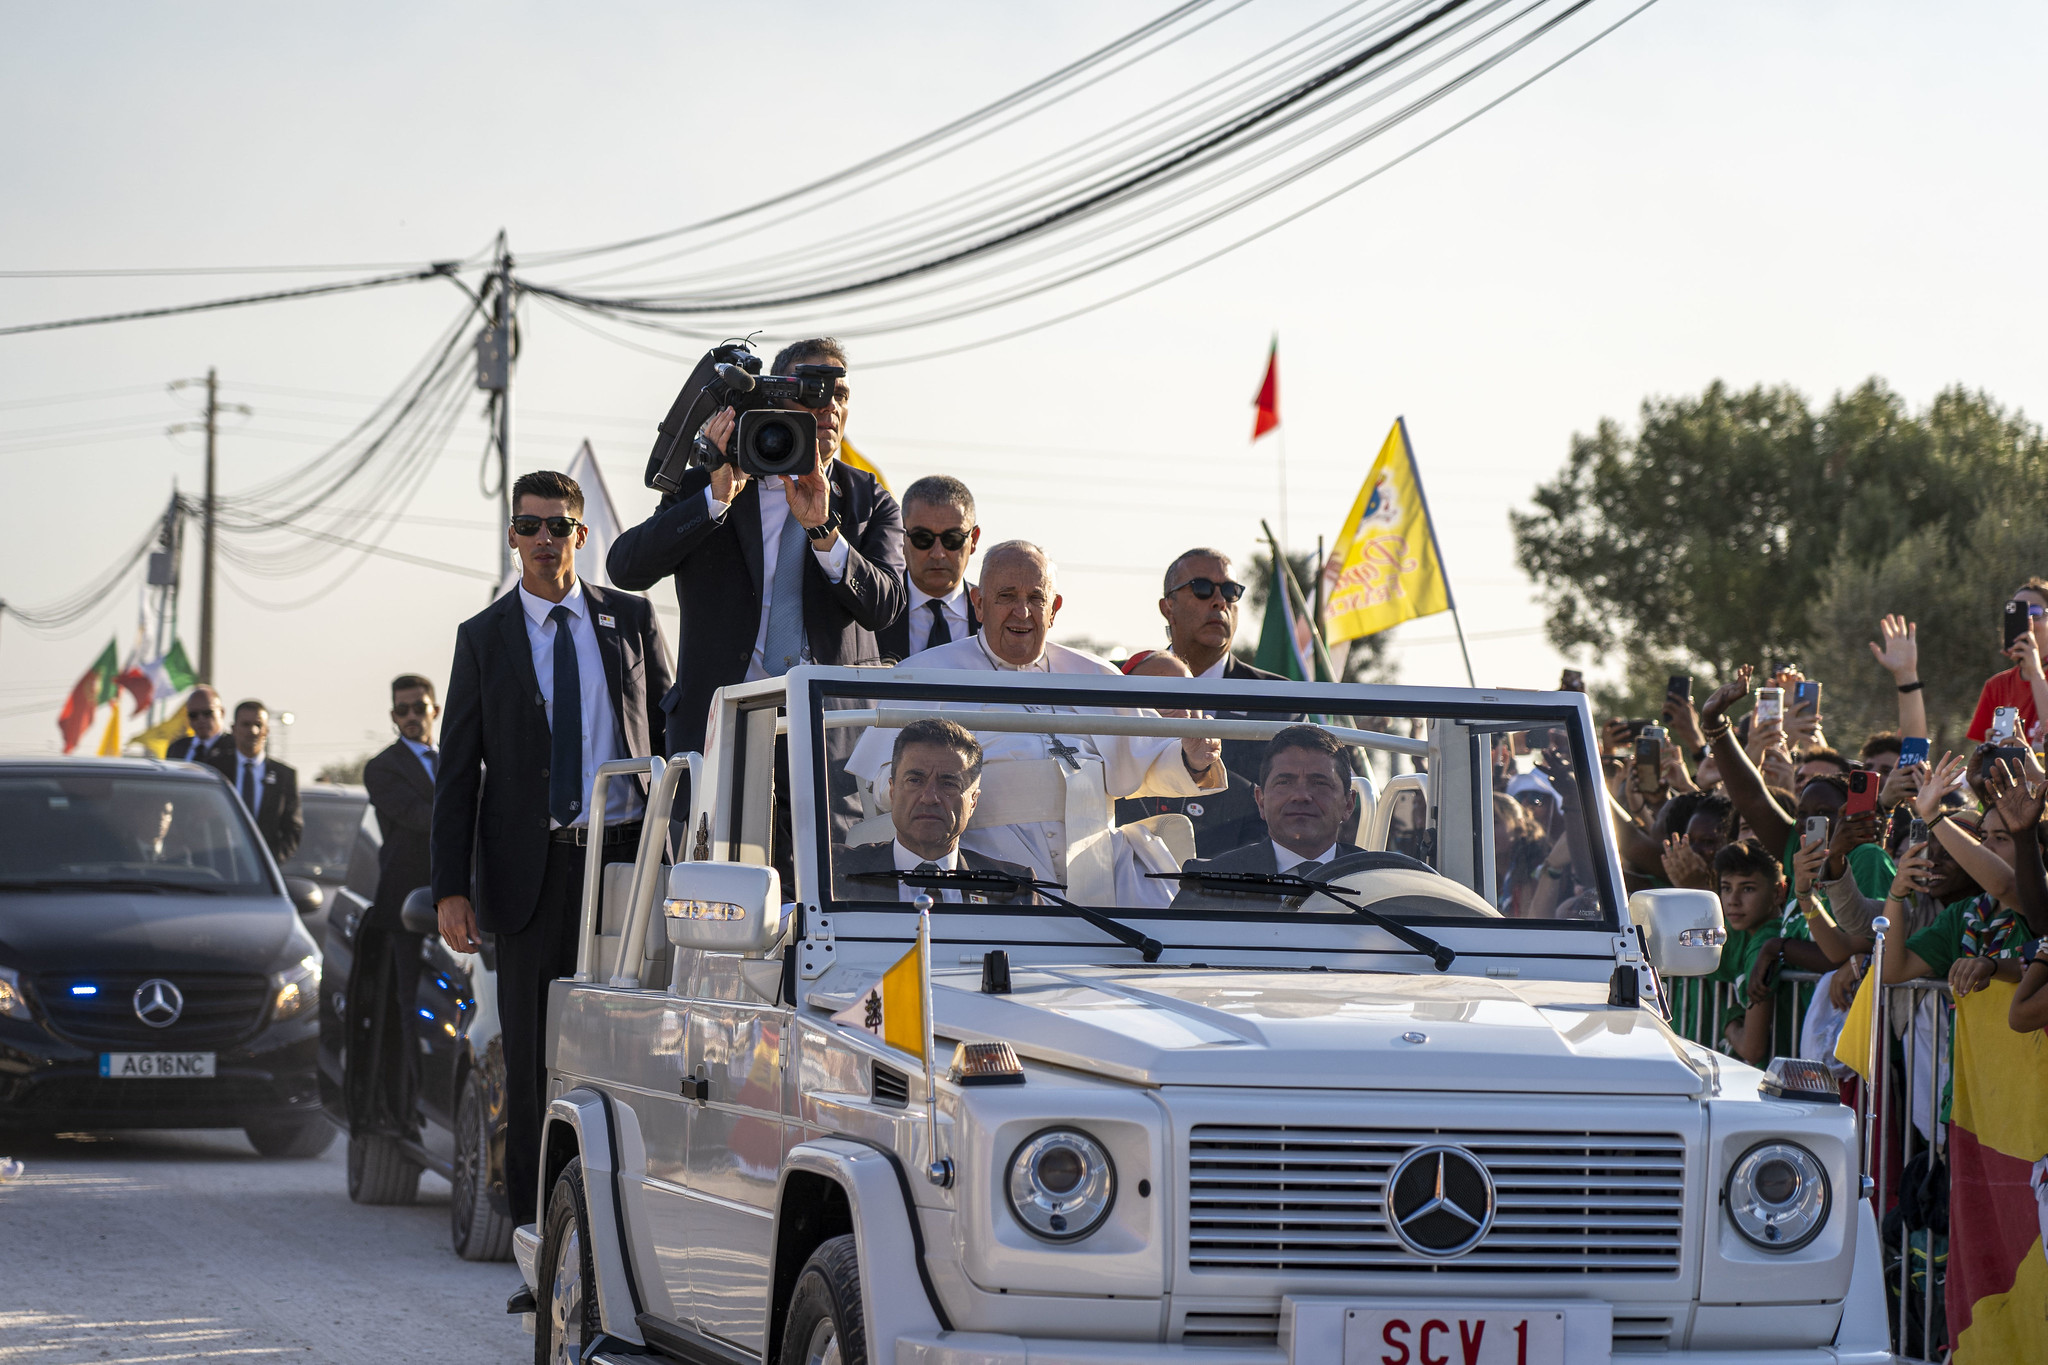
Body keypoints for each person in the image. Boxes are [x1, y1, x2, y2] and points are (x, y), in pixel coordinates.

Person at [432, 469, 671, 1228]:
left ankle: (625, 1232)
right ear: (512, 536)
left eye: (558, 526)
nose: (544, 540)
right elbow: (457, 772)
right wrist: (451, 886)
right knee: (540, 1065)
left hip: (627, 868)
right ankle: (542, 1241)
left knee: (630, 1058)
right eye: (530, 526)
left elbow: (670, 736)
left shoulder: (630, 621)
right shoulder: (481, 638)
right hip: (528, 876)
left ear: (581, 534)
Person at [843, 540, 1224, 906]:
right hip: (995, 881)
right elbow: (885, 782)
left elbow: (1151, 759)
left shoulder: (1094, 674)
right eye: (1006, 596)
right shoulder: (927, 675)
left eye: (1036, 598)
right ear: (979, 603)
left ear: (1054, 607)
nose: (1022, 612)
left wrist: (1191, 757)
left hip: (1099, 872)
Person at [607, 337, 905, 755]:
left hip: (831, 739)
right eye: (813, 392)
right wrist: (714, 501)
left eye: (840, 394)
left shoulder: (867, 497)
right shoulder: (707, 485)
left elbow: (885, 607)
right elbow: (625, 568)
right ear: (776, 395)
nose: (829, 407)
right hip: (722, 733)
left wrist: (824, 531)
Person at [1140, 548, 1294, 855]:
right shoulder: (1125, 684)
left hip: (1241, 886)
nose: (1219, 601)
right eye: (1201, 589)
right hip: (1129, 876)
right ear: (1167, 605)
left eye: (1230, 591)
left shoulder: (1277, 700)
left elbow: (1291, 805)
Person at [831, 719, 1033, 902]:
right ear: (892, 792)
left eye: (948, 784)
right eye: (915, 781)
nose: (929, 797)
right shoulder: (832, 871)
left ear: (973, 802)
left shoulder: (1015, 891)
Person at [1170, 726, 1363, 909]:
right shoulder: (1208, 885)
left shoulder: (1378, 877)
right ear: (1260, 800)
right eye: (1284, 782)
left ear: (1348, 803)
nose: (1301, 795)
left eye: (1320, 783)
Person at [360, 672, 440, 1103]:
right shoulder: (382, 767)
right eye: (402, 710)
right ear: (394, 716)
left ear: (435, 710)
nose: (411, 717)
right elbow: (419, 817)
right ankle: (417, 1102)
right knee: (411, 1005)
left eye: (418, 708)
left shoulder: (457, 762)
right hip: (406, 905)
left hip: (460, 901)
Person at [880, 475, 979, 663]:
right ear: (901, 536)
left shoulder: (995, 616)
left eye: (952, 539)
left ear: (973, 539)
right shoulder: (873, 610)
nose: (938, 553)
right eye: (923, 538)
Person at [208, 700, 302, 865]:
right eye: (246, 724)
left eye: (258, 725)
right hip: (218, 866)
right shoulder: (215, 770)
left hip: (262, 874)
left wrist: (270, 863)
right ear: (233, 729)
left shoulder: (284, 776)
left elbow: (293, 829)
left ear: (267, 730)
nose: (253, 731)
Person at [1966, 578, 2048, 741]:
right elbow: (1980, 760)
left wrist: (2035, 674)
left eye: (2035, 612)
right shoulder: (1996, 686)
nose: (2027, 621)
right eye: (2017, 613)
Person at [166, 686, 231, 764]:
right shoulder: (176, 748)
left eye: (207, 713)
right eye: (193, 715)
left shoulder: (234, 748)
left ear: (221, 712)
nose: (201, 719)